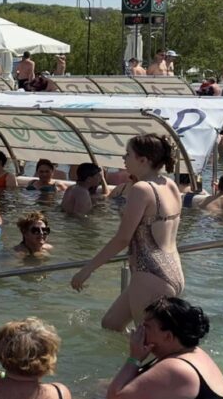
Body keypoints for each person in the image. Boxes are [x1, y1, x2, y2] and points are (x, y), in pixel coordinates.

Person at [71, 135, 185, 331]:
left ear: (143, 160)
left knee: (147, 341)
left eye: (128, 154)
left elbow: (123, 238)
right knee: (111, 324)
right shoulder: (169, 184)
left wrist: (87, 269)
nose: (124, 159)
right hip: (173, 270)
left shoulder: (141, 189)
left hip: (150, 274)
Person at [105, 297, 223, 399]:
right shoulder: (193, 352)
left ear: (168, 336)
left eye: (146, 326)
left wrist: (135, 358)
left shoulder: (176, 369)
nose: (139, 329)